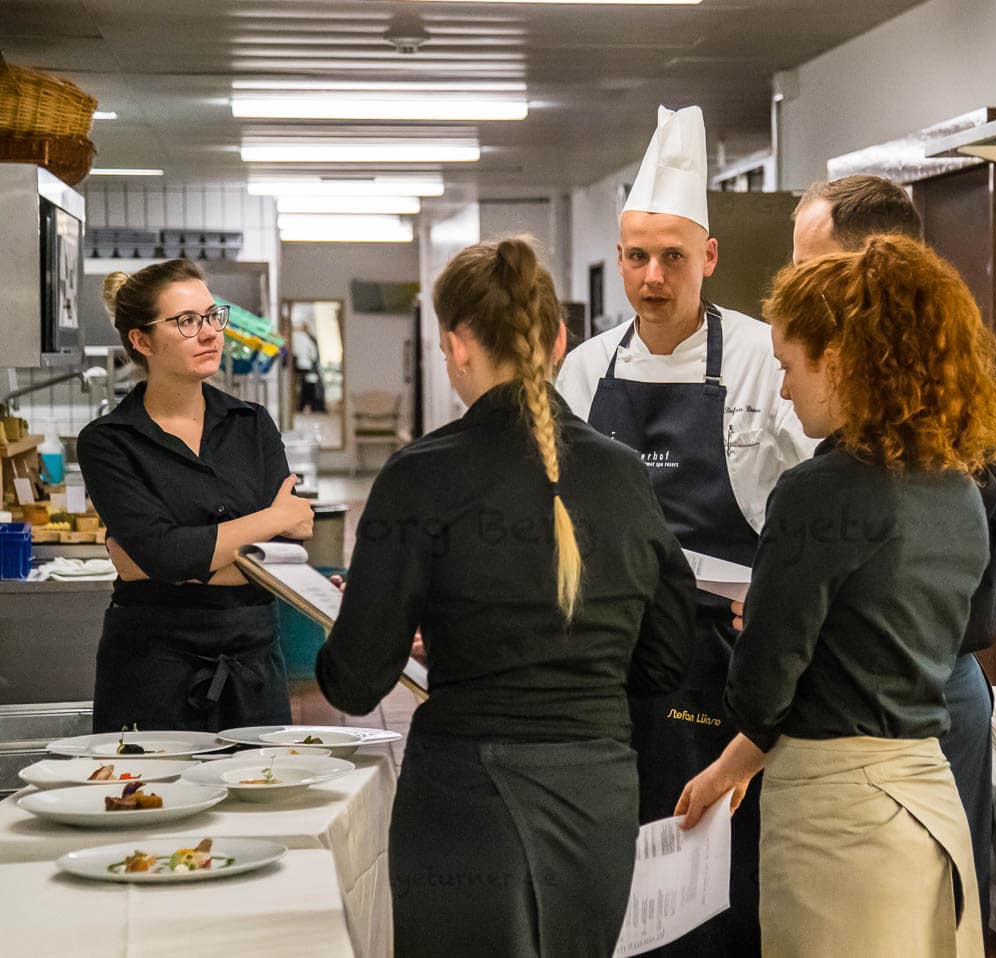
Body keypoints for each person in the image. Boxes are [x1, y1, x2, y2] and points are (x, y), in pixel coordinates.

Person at [316, 237, 698, 958]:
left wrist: (385, 624)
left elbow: (358, 678)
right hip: (599, 796)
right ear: (557, 340)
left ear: (457, 347)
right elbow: (667, 655)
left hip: (467, 797)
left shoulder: (419, 477)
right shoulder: (623, 475)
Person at [676, 235, 996, 958]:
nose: (786, 388)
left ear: (841, 361)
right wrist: (729, 769)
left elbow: (761, 689)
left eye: (790, 366)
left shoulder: (816, 492)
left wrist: (762, 611)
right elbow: (862, 660)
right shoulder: (957, 490)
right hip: (926, 807)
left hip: (840, 825)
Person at [556, 105, 814, 958]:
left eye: (673, 256)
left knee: (722, 883)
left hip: (725, 662)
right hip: (610, 660)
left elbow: (818, 494)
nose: (653, 277)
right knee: (615, 867)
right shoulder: (584, 369)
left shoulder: (758, 357)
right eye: (637, 256)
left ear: (708, 257)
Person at [791, 174, 996, 924]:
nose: (795, 282)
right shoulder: (841, 383)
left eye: (811, 265)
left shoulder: (945, 396)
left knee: (924, 917)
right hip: (903, 689)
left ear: (868, 270)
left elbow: (955, 592)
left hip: (914, 698)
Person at [77, 259, 312, 733]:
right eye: (186, 322)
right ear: (142, 341)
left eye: (211, 316)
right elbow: (167, 554)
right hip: (154, 671)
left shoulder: (252, 425)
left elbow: (291, 550)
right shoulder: (109, 441)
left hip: (254, 668)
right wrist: (272, 518)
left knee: (264, 803)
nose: (209, 333)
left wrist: (169, 562)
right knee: (147, 801)